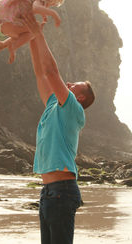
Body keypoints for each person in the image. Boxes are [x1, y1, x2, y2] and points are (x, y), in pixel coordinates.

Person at [21, 12, 95, 244]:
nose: (69, 84)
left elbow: (52, 72)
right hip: (49, 193)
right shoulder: (54, 104)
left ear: (80, 98)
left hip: (62, 192)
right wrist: (32, 35)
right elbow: (40, 72)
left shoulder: (74, 109)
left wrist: (40, 34)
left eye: (76, 86)